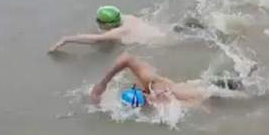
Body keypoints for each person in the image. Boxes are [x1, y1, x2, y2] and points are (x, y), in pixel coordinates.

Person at [90, 52, 245, 109]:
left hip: (217, 95)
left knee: (254, 98)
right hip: (209, 86)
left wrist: (103, 83)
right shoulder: (153, 86)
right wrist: (103, 83)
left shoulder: (159, 93)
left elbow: (127, 57)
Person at [48, 5, 165, 53]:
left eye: (99, 21)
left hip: (162, 42)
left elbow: (95, 39)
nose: (97, 22)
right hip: (161, 32)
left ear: (109, 25)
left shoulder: (117, 32)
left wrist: (67, 39)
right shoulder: (127, 18)